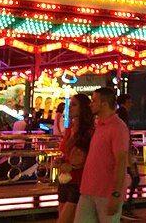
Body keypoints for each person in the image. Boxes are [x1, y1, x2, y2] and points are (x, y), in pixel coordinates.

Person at [74, 87, 129, 223]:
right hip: (88, 188)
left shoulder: (118, 127)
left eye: (94, 101)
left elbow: (121, 161)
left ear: (104, 104)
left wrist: (116, 193)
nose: (90, 104)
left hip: (107, 191)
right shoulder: (99, 125)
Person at [54, 93, 92, 223]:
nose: (70, 108)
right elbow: (66, 153)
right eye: (69, 105)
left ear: (84, 108)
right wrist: (61, 161)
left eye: (74, 105)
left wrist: (74, 166)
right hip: (65, 180)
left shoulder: (89, 131)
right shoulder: (70, 129)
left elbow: (92, 157)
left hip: (78, 181)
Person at [116, 94, 140, 221]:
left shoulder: (119, 113)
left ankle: (124, 206)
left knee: (126, 178)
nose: (132, 104)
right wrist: (129, 155)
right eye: (130, 101)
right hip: (125, 153)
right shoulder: (122, 114)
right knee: (135, 178)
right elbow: (125, 134)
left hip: (124, 152)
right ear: (125, 102)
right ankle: (126, 207)